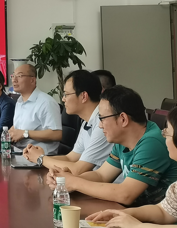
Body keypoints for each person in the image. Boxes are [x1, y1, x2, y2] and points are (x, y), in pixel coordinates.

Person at [46, 86, 177, 206]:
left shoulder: (152, 142)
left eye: (102, 118)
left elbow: (125, 194)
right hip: (137, 213)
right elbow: (101, 175)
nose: (100, 125)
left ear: (123, 119)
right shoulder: (123, 140)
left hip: (159, 220)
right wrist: (66, 180)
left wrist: (75, 183)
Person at [86, 107, 177, 228]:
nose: (163, 138)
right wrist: (123, 214)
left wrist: (137, 226)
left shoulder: (152, 141)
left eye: (167, 133)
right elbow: (164, 211)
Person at [24, 70, 112, 174]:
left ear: (84, 96)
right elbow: (71, 158)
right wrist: (36, 156)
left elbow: (78, 169)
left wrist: (40, 158)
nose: (63, 99)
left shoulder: (103, 124)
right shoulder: (86, 122)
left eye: (66, 94)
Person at [8, 64, 62, 155]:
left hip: (39, 157)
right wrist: (12, 132)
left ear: (32, 80)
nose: (14, 80)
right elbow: (22, 127)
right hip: (19, 151)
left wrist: (25, 133)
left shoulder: (46, 102)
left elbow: (56, 134)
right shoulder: (19, 101)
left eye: (19, 76)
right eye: (13, 76)